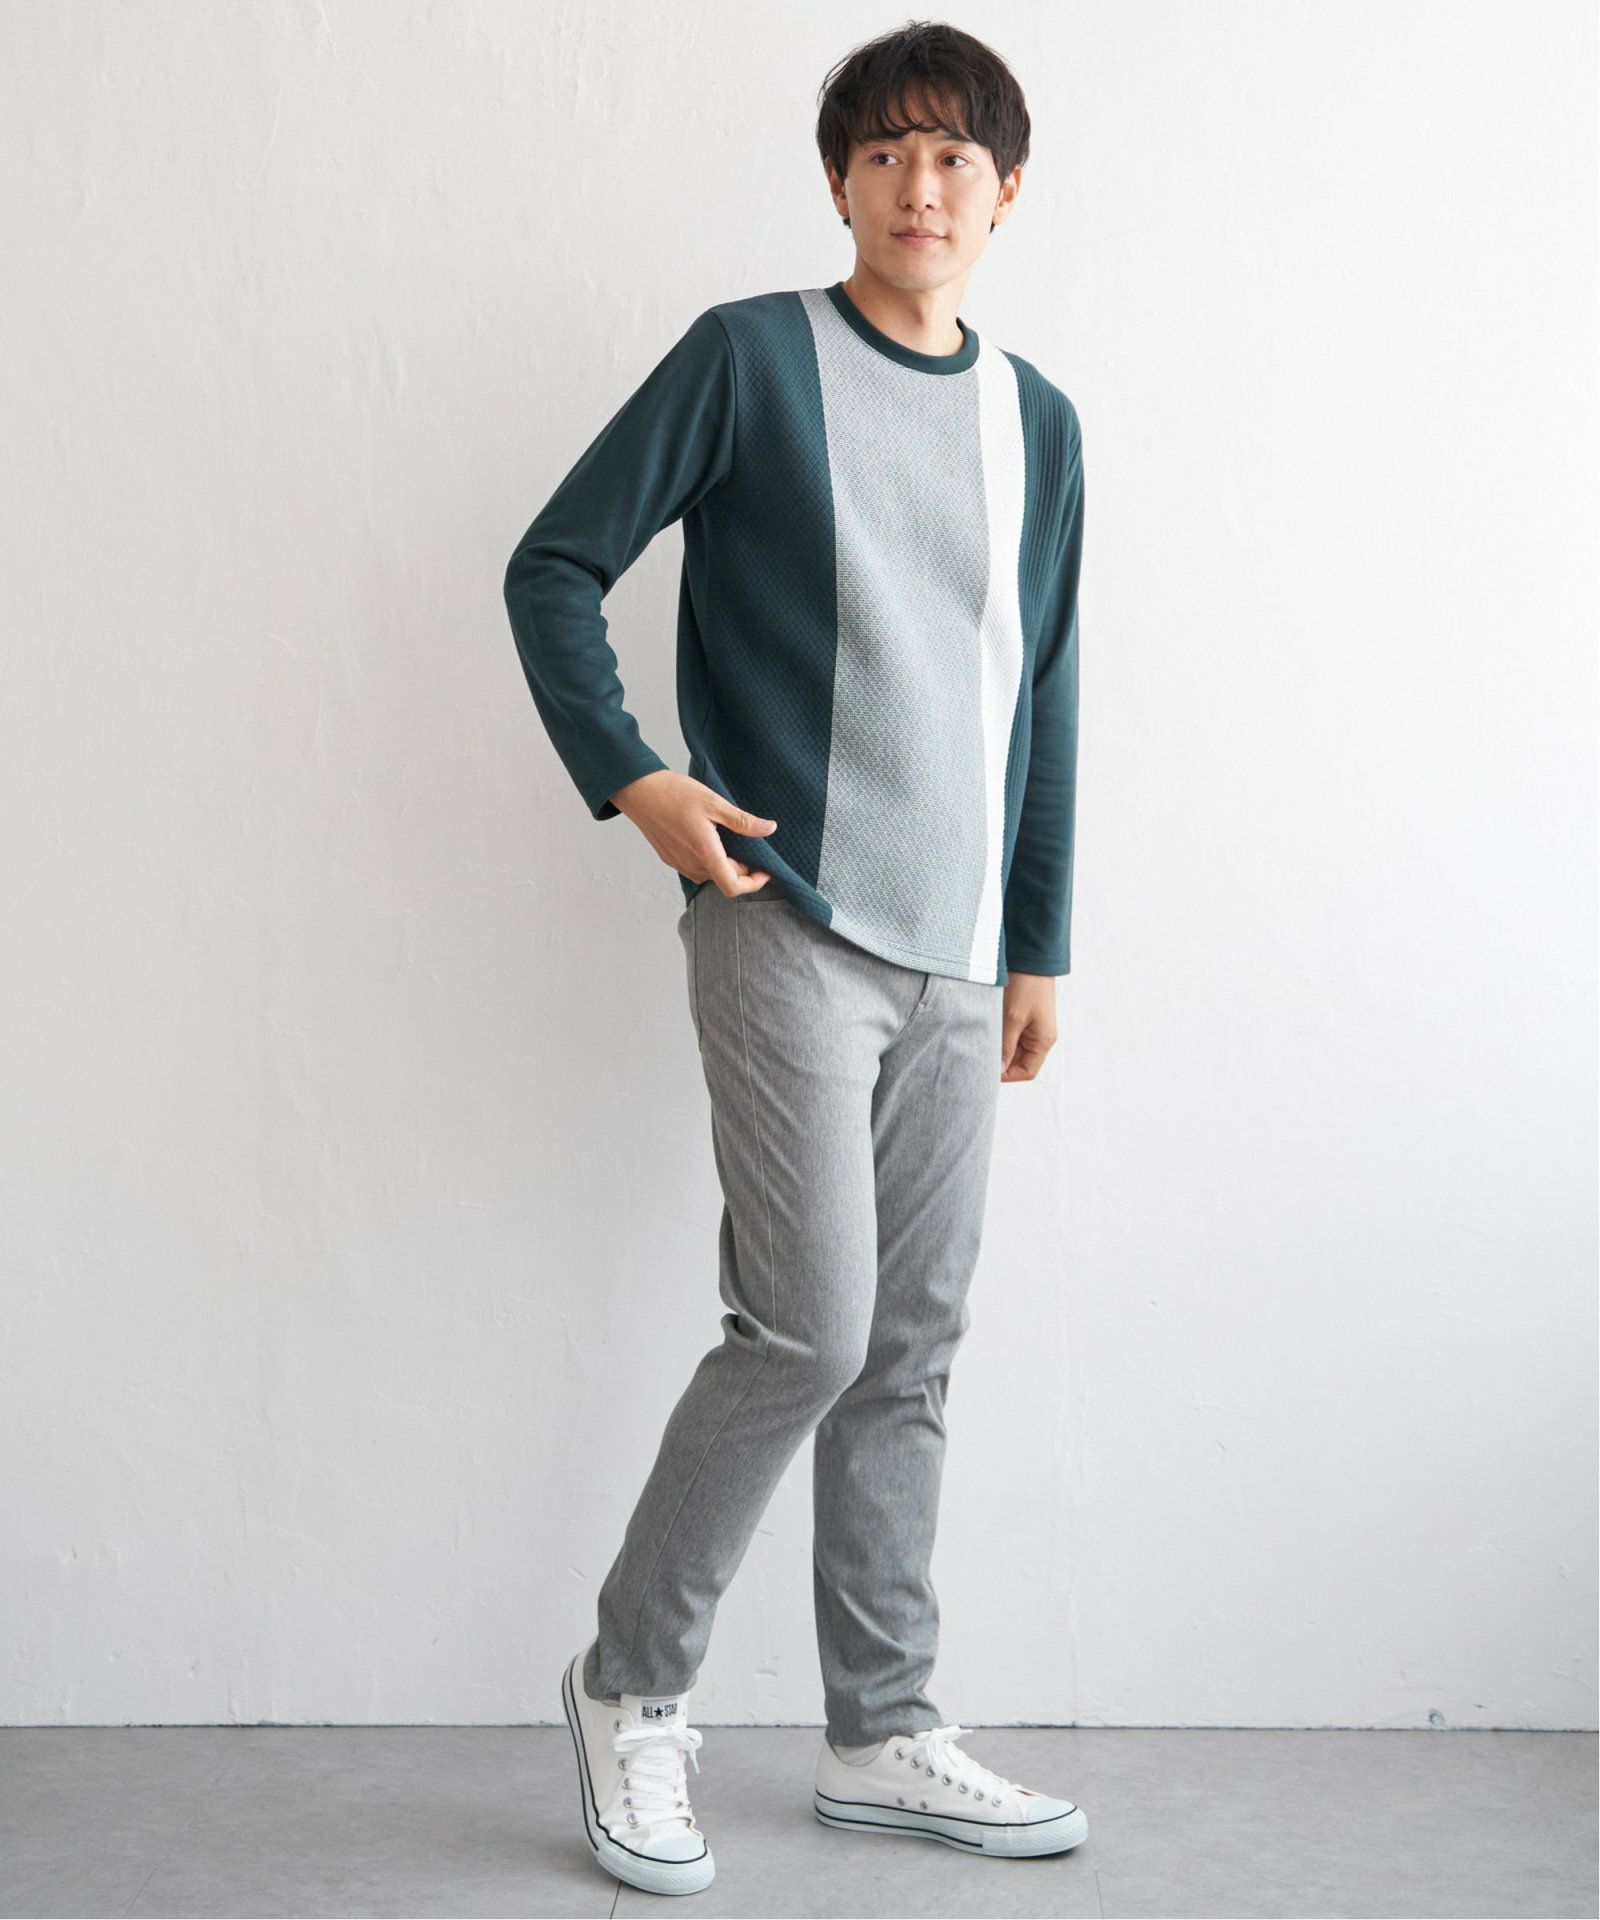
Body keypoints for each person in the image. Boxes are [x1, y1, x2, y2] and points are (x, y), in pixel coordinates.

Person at [504, 20, 1089, 1898]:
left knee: (909, 1350)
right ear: (839, 179)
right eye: (887, 152)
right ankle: (629, 1686)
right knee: (809, 1332)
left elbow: (1042, 694)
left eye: (956, 157)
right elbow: (554, 564)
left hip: (961, 958)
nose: (922, 186)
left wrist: (1038, 940)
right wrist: (637, 780)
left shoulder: (1041, 423)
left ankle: (881, 1729)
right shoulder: (750, 359)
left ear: (1008, 193)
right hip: (787, 921)